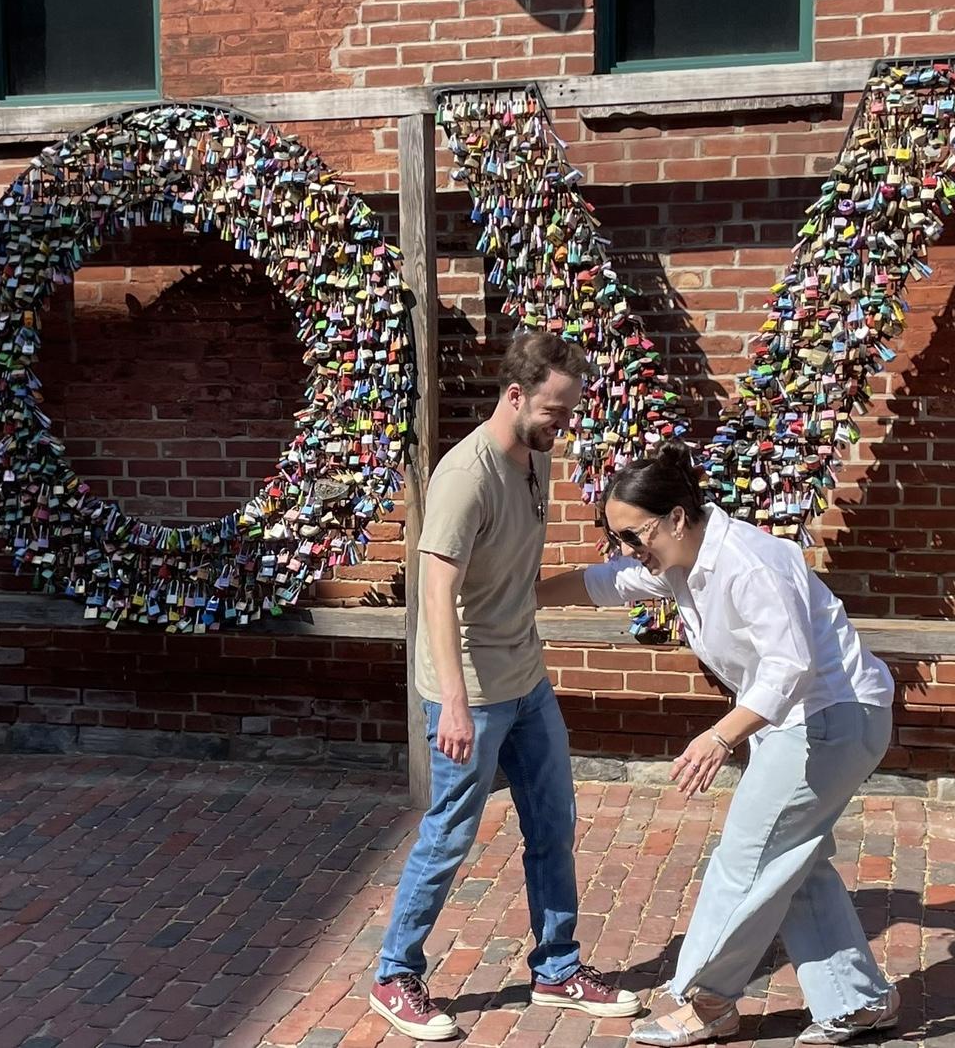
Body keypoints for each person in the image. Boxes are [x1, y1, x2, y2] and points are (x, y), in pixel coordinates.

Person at [536, 440, 898, 1047]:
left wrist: (719, 737)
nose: (627, 549)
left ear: (677, 517)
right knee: (792, 862)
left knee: (747, 858)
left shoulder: (749, 562)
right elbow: (606, 581)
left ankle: (706, 1000)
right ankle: (857, 1002)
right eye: (617, 537)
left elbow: (790, 666)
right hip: (811, 722)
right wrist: (523, 595)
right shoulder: (680, 560)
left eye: (634, 535)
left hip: (829, 720)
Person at [369, 332, 642, 1040]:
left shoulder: (535, 458)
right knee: (450, 832)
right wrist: (454, 703)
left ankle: (557, 968)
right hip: (469, 688)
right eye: (554, 411)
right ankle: (394, 975)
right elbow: (436, 590)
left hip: (526, 678)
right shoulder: (466, 475)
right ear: (515, 396)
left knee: (552, 824)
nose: (564, 425)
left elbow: (518, 579)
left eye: (570, 411)